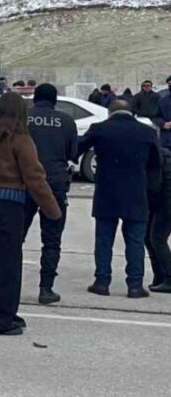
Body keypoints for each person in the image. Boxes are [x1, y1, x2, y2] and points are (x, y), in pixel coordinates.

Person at [0, 92, 62, 335]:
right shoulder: (20, 139)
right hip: (7, 205)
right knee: (7, 264)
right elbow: (35, 178)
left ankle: (7, 311)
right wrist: (53, 210)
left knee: (3, 259)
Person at [79, 100, 163, 298]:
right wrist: (151, 191)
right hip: (136, 194)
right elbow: (156, 165)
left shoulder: (100, 129)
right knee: (135, 241)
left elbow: (76, 149)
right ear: (131, 112)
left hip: (107, 193)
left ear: (110, 112)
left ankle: (102, 282)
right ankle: (135, 286)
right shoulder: (147, 132)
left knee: (104, 240)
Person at [23, 84, 79, 304]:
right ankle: (46, 288)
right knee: (52, 239)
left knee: (14, 237)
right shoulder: (66, 121)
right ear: (55, 100)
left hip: (25, 182)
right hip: (55, 183)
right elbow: (72, 153)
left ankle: (3, 284)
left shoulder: (23, 118)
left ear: (35, 99)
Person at [148, 147, 171, 292]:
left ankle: (168, 277)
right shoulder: (164, 154)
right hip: (163, 202)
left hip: (166, 203)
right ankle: (160, 275)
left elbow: (154, 185)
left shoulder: (155, 158)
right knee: (148, 237)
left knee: (157, 238)